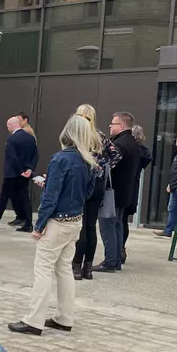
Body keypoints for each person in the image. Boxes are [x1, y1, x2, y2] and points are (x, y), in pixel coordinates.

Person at [8, 115, 98, 336]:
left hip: (58, 221)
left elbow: (50, 197)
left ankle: (34, 320)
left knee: (44, 270)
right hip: (75, 220)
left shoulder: (60, 159)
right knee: (64, 269)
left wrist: (38, 226)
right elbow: (87, 193)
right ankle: (64, 317)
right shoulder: (88, 161)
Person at [70, 104, 121, 280]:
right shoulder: (99, 135)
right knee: (90, 227)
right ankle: (87, 268)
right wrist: (102, 167)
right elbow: (116, 154)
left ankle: (76, 266)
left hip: (82, 183)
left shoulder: (78, 135)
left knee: (81, 226)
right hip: (98, 184)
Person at [94, 112, 140, 273]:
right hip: (125, 192)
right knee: (118, 226)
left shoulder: (120, 144)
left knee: (108, 227)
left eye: (112, 124)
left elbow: (107, 166)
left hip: (113, 193)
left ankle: (110, 262)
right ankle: (116, 260)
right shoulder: (133, 142)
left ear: (121, 126)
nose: (109, 126)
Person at [0, 116, 39, 231]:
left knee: (4, 198)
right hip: (26, 174)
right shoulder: (30, 138)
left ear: (12, 125)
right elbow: (35, 155)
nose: (7, 128)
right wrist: (29, 169)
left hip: (12, 174)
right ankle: (28, 224)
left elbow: (12, 157)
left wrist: (20, 171)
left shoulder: (12, 139)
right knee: (25, 198)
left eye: (8, 126)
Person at [124, 124, 153, 261]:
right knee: (123, 222)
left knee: (119, 220)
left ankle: (118, 250)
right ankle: (121, 248)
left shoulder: (129, 149)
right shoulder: (143, 151)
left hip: (124, 186)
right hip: (134, 186)